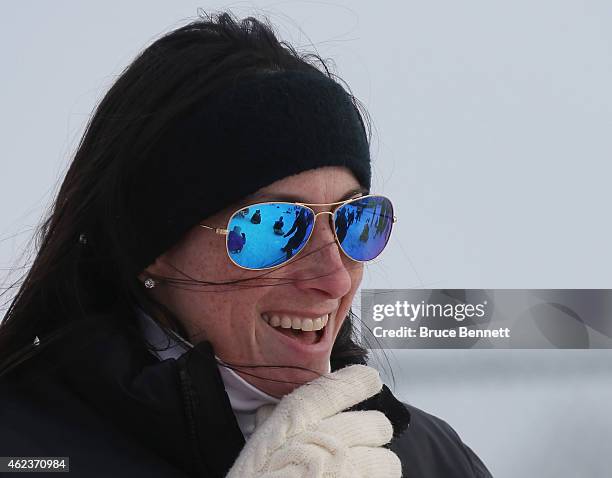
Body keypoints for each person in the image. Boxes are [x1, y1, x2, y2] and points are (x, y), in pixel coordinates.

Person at [0, 12, 492, 478]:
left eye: (354, 221)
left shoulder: (430, 458)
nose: (335, 278)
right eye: (275, 226)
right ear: (153, 244)